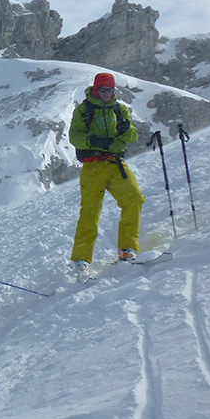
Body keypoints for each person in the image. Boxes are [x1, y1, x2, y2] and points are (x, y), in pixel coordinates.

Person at [67, 72, 145, 279]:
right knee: (90, 212)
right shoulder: (83, 110)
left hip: (115, 164)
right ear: (95, 89)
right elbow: (75, 136)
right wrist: (98, 143)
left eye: (109, 90)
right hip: (93, 167)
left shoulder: (120, 110)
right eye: (102, 90)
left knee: (134, 198)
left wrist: (126, 130)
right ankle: (81, 259)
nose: (106, 94)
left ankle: (128, 249)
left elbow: (133, 136)